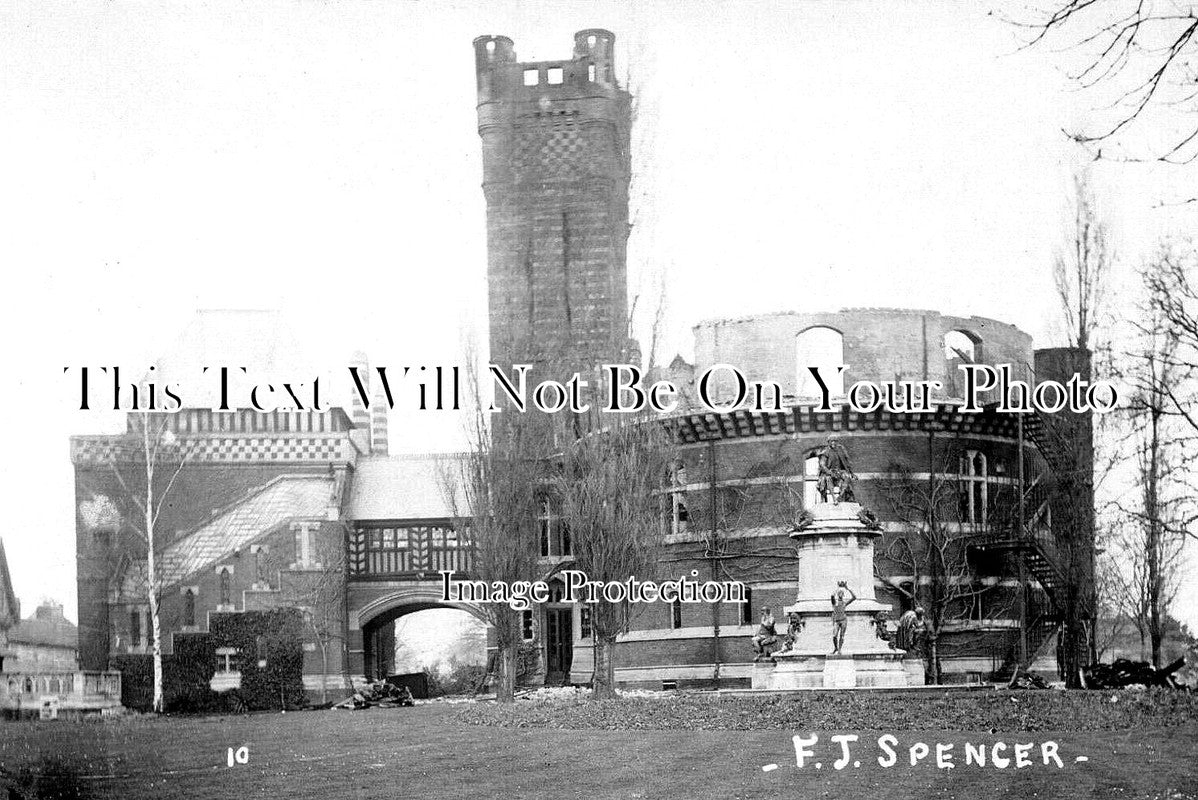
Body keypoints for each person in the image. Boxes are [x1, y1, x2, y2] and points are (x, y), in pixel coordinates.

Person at [830, 581, 857, 654]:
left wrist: (847, 588)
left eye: (842, 593)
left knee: (842, 636)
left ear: (843, 595)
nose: (841, 594)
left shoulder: (844, 603)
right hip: (836, 620)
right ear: (838, 595)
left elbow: (854, 597)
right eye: (839, 593)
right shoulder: (834, 602)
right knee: (834, 635)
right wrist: (838, 587)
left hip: (843, 620)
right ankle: (835, 648)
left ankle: (839, 649)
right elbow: (832, 595)